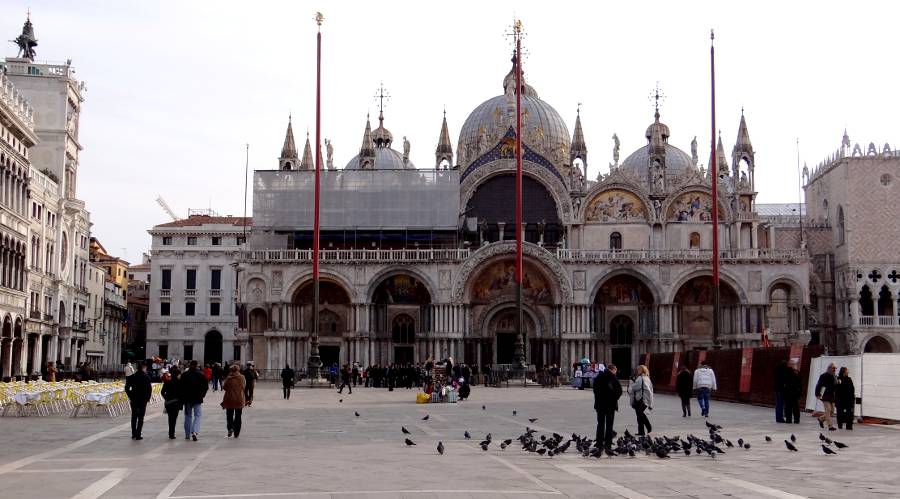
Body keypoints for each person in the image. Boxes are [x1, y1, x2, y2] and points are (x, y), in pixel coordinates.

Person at [592, 363, 622, 450]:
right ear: (613, 370)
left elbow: (595, 389)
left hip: (600, 404)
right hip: (610, 405)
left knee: (600, 424)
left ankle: (599, 443)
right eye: (615, 371)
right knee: (609, 425)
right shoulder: (613, 377)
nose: (615, 373)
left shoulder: (599, 376)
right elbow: (619, 390)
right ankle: (608, 444)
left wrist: (599, 398)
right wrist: (614, 398)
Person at [181, 360, 209, 441]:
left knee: (187, 416)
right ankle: (194, 431)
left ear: (189, 365)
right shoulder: (201, 375)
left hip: (187, 399)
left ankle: (187, 434)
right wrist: (202, 395)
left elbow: (181, 387)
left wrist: (182, 397)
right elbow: (206, 387)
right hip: (197, 398)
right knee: (198, 415)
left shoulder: (184, 375)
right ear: (197, 365)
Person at [124, 362, 152, 440]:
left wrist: (130, 395)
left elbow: (126, 388)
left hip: (134, 398)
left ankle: (133, 433)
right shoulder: (146, 377)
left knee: (134, 416)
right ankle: (138, 434)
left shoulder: (132, 377)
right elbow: (149, 390)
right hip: (143, 399)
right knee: (141, 417)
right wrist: (148, 398)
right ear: (143, 368)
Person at [627, 365, 654, 435]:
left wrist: (631, 384)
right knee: (640, 415)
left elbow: (635, 387)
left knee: (640, 415)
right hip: (645, 398)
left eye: (638, 370)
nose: (637, 371)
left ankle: (648, 426)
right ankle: (641, 431)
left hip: (640, 399)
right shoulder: (647, 378)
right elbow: (650, 388)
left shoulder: (640, 378)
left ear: (642, 370)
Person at [222, 365, 246, 438]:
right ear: (238, 370)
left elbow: (224, 387)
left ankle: (230, 428)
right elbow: (244, 387)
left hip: (229, 398)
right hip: (239, 398)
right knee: (238, 416)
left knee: (229, 415)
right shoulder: (242, 377)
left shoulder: (228, 378)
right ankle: (236, 433)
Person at [815, 363, 838, 431]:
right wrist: (817, 394)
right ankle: (830, 426)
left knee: (831, 412)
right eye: (833, 368)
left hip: (832, 396)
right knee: (828, 410)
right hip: (825, 395)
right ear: (829, 368)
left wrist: (838, 383)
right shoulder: (823, 375)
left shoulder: (835, 376)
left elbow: (836, 386)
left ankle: (821, 419)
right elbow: (819, 385)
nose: (834, 369)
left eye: (835, 368)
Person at [161, 366, 182, 439]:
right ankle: (172, 433)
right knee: (174, 418)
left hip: (169, 402)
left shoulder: (168, 382)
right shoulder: (180, 383)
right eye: (179, 374)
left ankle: (171, 433)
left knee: (170, 418)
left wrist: (166, 398)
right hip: (176, 402)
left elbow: (162, 392)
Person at [782, 359, 802, 424]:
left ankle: (796, 419)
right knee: (788, 406)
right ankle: (788, 419)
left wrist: (800, 391)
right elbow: (785, 380)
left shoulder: (797, 372)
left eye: (794, 364)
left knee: (796, 407)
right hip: (788, 392)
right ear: (789, 365)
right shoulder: (787, 371)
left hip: (795, 392)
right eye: (792, 364)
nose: (794, 365)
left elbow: (800, 383)